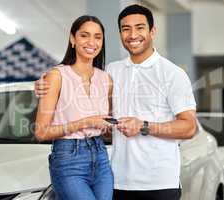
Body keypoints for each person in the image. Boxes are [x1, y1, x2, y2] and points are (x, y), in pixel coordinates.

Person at [35, 4, 197, 200]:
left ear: (152, 31)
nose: (132, 34)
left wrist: (144, 126)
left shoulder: (172, 74)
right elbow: (103, 118)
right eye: (125, 29)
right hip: (118, 179)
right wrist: (43, 85)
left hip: (158, 181)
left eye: (139, 27)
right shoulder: (112, 72)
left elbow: (189, 127)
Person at [34, 15, 114, 200]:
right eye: (84, 35)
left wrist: (111, 126)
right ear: (73, 39)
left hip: (101, 158)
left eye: (97, 37)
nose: (91, 42)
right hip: (69, 160)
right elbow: (41, 132)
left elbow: (106, 130)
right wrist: (85, 122)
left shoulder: (106, 79)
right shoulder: (56, 76)